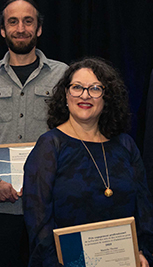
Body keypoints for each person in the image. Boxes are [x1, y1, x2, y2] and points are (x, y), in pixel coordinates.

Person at [23, 57, 153, 266]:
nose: (85, 95)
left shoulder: (126, 145)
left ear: (107, 97)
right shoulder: (49, 146)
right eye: (77, 87)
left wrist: (143, 252)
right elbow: (39, 222)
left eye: (95, 88)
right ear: (66, 95)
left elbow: (144, 211)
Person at [0, 0, 68, 266]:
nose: (21, 28)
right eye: (13, 22)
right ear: (3, 30)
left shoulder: (63, 75)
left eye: (28, 21)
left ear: (39, 29)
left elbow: (73, 135)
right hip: (1, 206)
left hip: (51, 205)